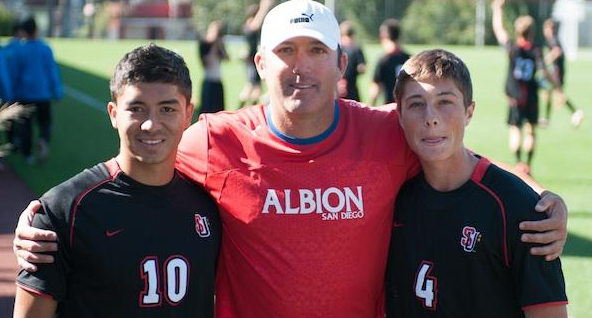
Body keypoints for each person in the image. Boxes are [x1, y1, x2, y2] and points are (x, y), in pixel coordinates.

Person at [14, 1, 568, 318]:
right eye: (286, 51)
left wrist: (545, 205)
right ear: (259, 62)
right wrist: (45, 213)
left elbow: (447, 143)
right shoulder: (215, 139)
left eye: (316, 51)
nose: (300, 66)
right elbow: (134, 154)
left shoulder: (383, 132)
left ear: (340, 63)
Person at [13, 44, 221, 318]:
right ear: (113, 113)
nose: (151, 124)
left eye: (167, 109)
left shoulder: (212, 205)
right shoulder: (63, 211)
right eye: (136, 108)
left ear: (187, 114)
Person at [386, 49, 568, 318]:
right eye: (416, 103)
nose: (430, 117)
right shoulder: (395, 198)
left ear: (469, 111)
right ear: (399, 115)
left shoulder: (522, 211)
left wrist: (543, 194)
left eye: (445, 101)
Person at [492, 0, 548, 174]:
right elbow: (544, 72)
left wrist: (497, 9)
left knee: (516, 129)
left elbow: (499, 30)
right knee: (531, 130)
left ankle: (518, 163)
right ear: (532, 32)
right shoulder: (537, 50)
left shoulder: (513, 49)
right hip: (531, 94)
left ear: (517, 31)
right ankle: (528, 165)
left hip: (515, 95)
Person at [14, 17, 63, 164]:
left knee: (25, 126)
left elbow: (15, 73)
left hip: (24, 94)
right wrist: (57, 92)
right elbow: (52, 72)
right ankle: (43, 140)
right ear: (36, 30)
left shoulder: (20, 50)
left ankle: (28, 155)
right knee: (45, 123)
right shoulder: (45, 48)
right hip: (42, 94)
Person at [539, 18, 584, 128]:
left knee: (559, 95)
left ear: (550, 29)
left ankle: (575, 111)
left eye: (546, 29)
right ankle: (546, 118)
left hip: (556, 73)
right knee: (548, 92)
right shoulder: (552, 39)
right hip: (555, 71)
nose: (545, 32)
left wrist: (546, 60)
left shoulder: (553, 39)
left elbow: (557, 51)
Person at [237, 0, 275, 109]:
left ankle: (251, 108)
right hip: (251, 60)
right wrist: (264, 7)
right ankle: (241, 109)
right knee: (250, 86)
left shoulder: (248, 25)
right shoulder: (250, 24)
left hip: (252, 59)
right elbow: (256, 24)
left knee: (256, 88)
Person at [369, 18, 410, 106]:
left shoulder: (383, 61)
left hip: (390, 110)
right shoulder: (410, 59)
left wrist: (371, 108)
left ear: (383, 36)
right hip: (408, 109)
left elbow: (375, 90)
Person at [198, 20, 228, 114]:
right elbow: (207, 62)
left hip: (218, 81)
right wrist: (214, 46)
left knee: (219, 112)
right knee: (207, 111)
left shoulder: (220, 45)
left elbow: (227, 58)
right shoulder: (204, 45)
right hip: (208, 82)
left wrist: (219, 45)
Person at [338, 20, 366, 101]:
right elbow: (362, 68)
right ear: (353, 34)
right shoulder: (356, 49)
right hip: (352, 89)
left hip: (337, 88)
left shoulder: (337, 48)